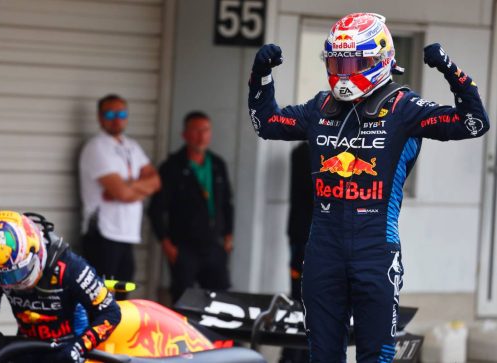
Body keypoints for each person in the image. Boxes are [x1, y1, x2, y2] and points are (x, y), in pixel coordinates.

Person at [248, 12, 489, 363]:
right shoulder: (319, 108)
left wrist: (451, 70)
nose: (343, 73)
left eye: (354, 63)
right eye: (336, 63)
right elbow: (266, 123)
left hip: (375, 251)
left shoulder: (405, 108)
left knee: (376, 355)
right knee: (322, 355)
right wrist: (261, 76)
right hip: (323, 250)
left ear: (379, 60)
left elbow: (474, 122)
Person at [0, 210, 121, 363]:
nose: (9, 283)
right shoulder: (2, 266)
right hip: (27, 347)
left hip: (70, 352)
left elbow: (111, 313)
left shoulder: (71, 267)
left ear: (35, 254)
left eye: (16, 274)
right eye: (1, 277)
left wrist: (79, 348)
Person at [79, 94, 160, 299]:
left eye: (122, 113)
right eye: (110, 113)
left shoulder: (131, 146)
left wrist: (130, 185)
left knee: (123, 299)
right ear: (100, 117)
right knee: (99, 298)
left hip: (127, 234)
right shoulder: (97, 147)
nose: (117, 119)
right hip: (103, 234)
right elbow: (122, 194)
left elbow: (156, 181)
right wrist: (135, 189)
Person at [148, 111, 234, 303]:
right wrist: (166, 244)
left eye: (206, 130)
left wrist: (228, 236)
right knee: (183, 299)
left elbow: (227, 203)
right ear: (184, 135)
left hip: (214, 245)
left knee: (220, 299)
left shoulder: (217, 164)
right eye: (196, 130)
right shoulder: (171, 166)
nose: (201, 136)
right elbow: (155, 209)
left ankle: (215, 334)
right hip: (184, 247)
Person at [279, 141, 312, 363]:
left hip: (324, 240)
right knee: (300, 298)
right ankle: (293, 354)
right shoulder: (305, 152)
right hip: (305, 239)